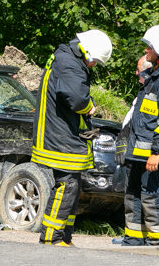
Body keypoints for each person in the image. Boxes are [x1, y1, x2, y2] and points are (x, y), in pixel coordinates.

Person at [32, 29, 113, 246]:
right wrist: (89, 106)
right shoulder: (68, 63)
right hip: (60, 135)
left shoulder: (66, 58)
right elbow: (77, 99)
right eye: (94, 61)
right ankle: (51, 237)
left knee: (72, 185)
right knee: (67, 184)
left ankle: (64, 234)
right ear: (86, 52)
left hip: (60, 131)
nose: (94, 65)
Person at [114, 25, 159, 246]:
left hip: (154, 155)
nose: (146, 51)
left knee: (154, 197)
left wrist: (156, 152)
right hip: (139, 153)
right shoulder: (155, 77)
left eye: (149, 48)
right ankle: (134, 238)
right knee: (133, 195)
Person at [122, 55, 154, 129]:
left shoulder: (150, 95)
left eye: (138, 70)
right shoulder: (144, 92)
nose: (136, 73)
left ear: (147, 70)